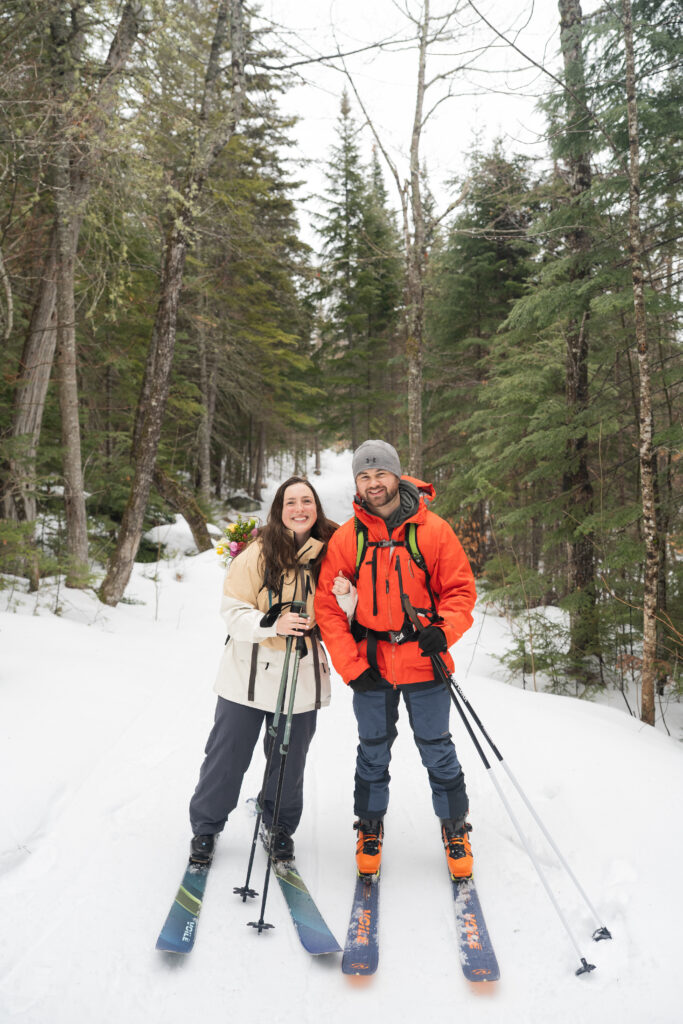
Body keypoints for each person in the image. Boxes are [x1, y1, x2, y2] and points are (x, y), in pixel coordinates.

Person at [314, 440, 477, 879]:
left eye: (380, 475)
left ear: (397, 475)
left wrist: (443, 631)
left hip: (424, 661)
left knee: (437, 749)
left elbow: (460, 591)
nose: (373, 484)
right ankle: (369, 826)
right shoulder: (349, 537)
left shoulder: (433, 531)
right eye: (364, 477)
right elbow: (327, 607)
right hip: (371, 665)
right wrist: (352, 666)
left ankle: (455, 827)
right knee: (372, 751)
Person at [188, 476, 337, 865]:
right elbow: (233, 611)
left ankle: (279, 825)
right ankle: (206, 828)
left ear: (316, 508)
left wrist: (346, 600)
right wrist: (273, 624)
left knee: (289, 758)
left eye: (307, 501)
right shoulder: (256, 554)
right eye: (291, 502)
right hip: (248, 674)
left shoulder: (330, 555)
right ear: (279, 509)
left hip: (300, 672)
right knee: (228, 753)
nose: (299, 508)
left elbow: (342, 613)